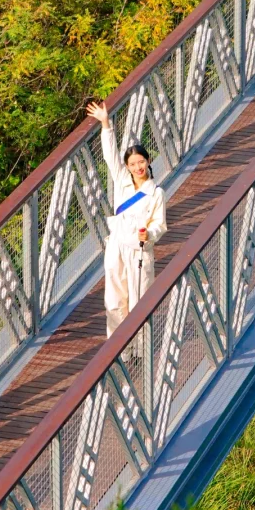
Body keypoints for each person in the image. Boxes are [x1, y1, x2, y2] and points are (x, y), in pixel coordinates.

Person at [86, 99, 168, 338]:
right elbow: (111, 155)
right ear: (128, 167)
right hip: (117, 245)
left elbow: (159, 225)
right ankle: (119, 349)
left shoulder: (156, 193)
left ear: (148, 161)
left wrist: (149, 234)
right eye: (133, 164)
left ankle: (140, 349)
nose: (137, 167)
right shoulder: (122, 181)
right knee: (113, 301)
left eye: (141, 162)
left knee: (138, 304)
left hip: (139, 250)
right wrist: (105, 123)